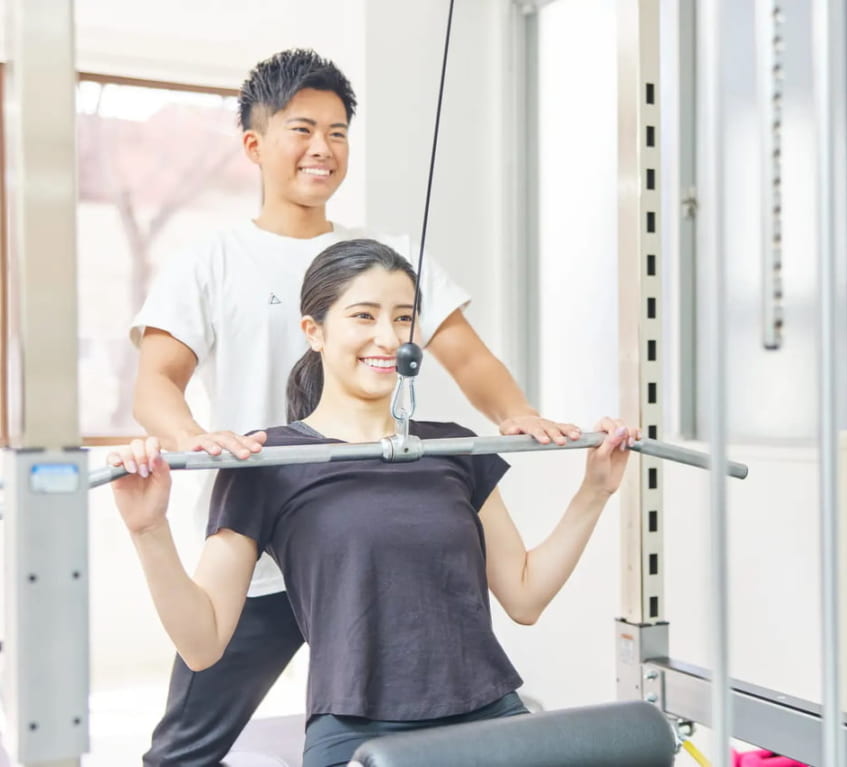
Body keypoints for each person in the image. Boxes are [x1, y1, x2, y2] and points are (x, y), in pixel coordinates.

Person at [129, 49, 579, 766]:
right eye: (302, 129)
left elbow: (466, 356)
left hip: (372, 537)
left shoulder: (383, 254)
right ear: (254, 143)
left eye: (338, 132)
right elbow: (155, 382)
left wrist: (517, 412)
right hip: (263, 542)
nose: (322, 149)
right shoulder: (212, 259)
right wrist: (194, 436)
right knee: (185, 749)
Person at [112, 239, 636, 766]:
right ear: (313, 331)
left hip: (490, 718)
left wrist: (594, 492)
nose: (387, 338)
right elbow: (203, 645)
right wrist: (147, 530)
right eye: (363, 316)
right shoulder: (266, 461)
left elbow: (525, 596)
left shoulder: (452, 448)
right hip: (356, 737)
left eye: (403, 319)